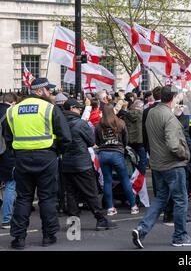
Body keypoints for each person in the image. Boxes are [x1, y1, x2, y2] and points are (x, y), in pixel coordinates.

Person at [5, 78, 72, 250]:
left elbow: (8, 137)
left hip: (22, 158)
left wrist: (18, 152)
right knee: (47, 198)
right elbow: (65, 137)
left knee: (23, 198)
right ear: (40, 91)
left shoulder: (13, 111)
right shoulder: (50, 109)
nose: (51, 93)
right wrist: (56, 151)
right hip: (46, 157)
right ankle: (49, 236)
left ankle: (18, 238)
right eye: (48, 90)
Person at [132, 86, 191, 248]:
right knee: (181, 200)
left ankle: (141, 229)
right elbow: (173, 144)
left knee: (161, 198)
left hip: (157, 163)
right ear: (173, 98)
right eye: (177, 98)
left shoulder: (152, 112)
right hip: (172, 164)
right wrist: (185, 155)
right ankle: (180, 236)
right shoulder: (168, 116)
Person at [62, 99, 117, 231]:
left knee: (71, 194)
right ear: (72, 109)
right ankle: (101, 219)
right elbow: (91, 141)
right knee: (91, 193)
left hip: (66, 163)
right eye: (78, 108)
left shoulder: (60, 123)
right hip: (81, 163)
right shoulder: (80, 124)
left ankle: (74, 224)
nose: (80, 110)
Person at [95, 104, 139, 216]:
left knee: (107, 181)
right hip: (117, 153)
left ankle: (110, 208)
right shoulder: (120, 122)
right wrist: (122, 147)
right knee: (124, 180)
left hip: (103, 154)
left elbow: (97, 141)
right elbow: (126, 139)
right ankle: (133, 206)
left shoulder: (99, 125)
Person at [0, 93, 19, 229]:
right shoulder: (11, 114)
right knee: (10, 185)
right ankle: (7, 219)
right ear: (13, 102)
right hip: (7, 154)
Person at [124, 100, 148, 174]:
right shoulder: (143, 115)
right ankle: (141, 180)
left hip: (129, 142)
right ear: (140, 107)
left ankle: (133, 179)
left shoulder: (126, 115)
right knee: (142, 161)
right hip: (140, 142)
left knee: (131, 161)